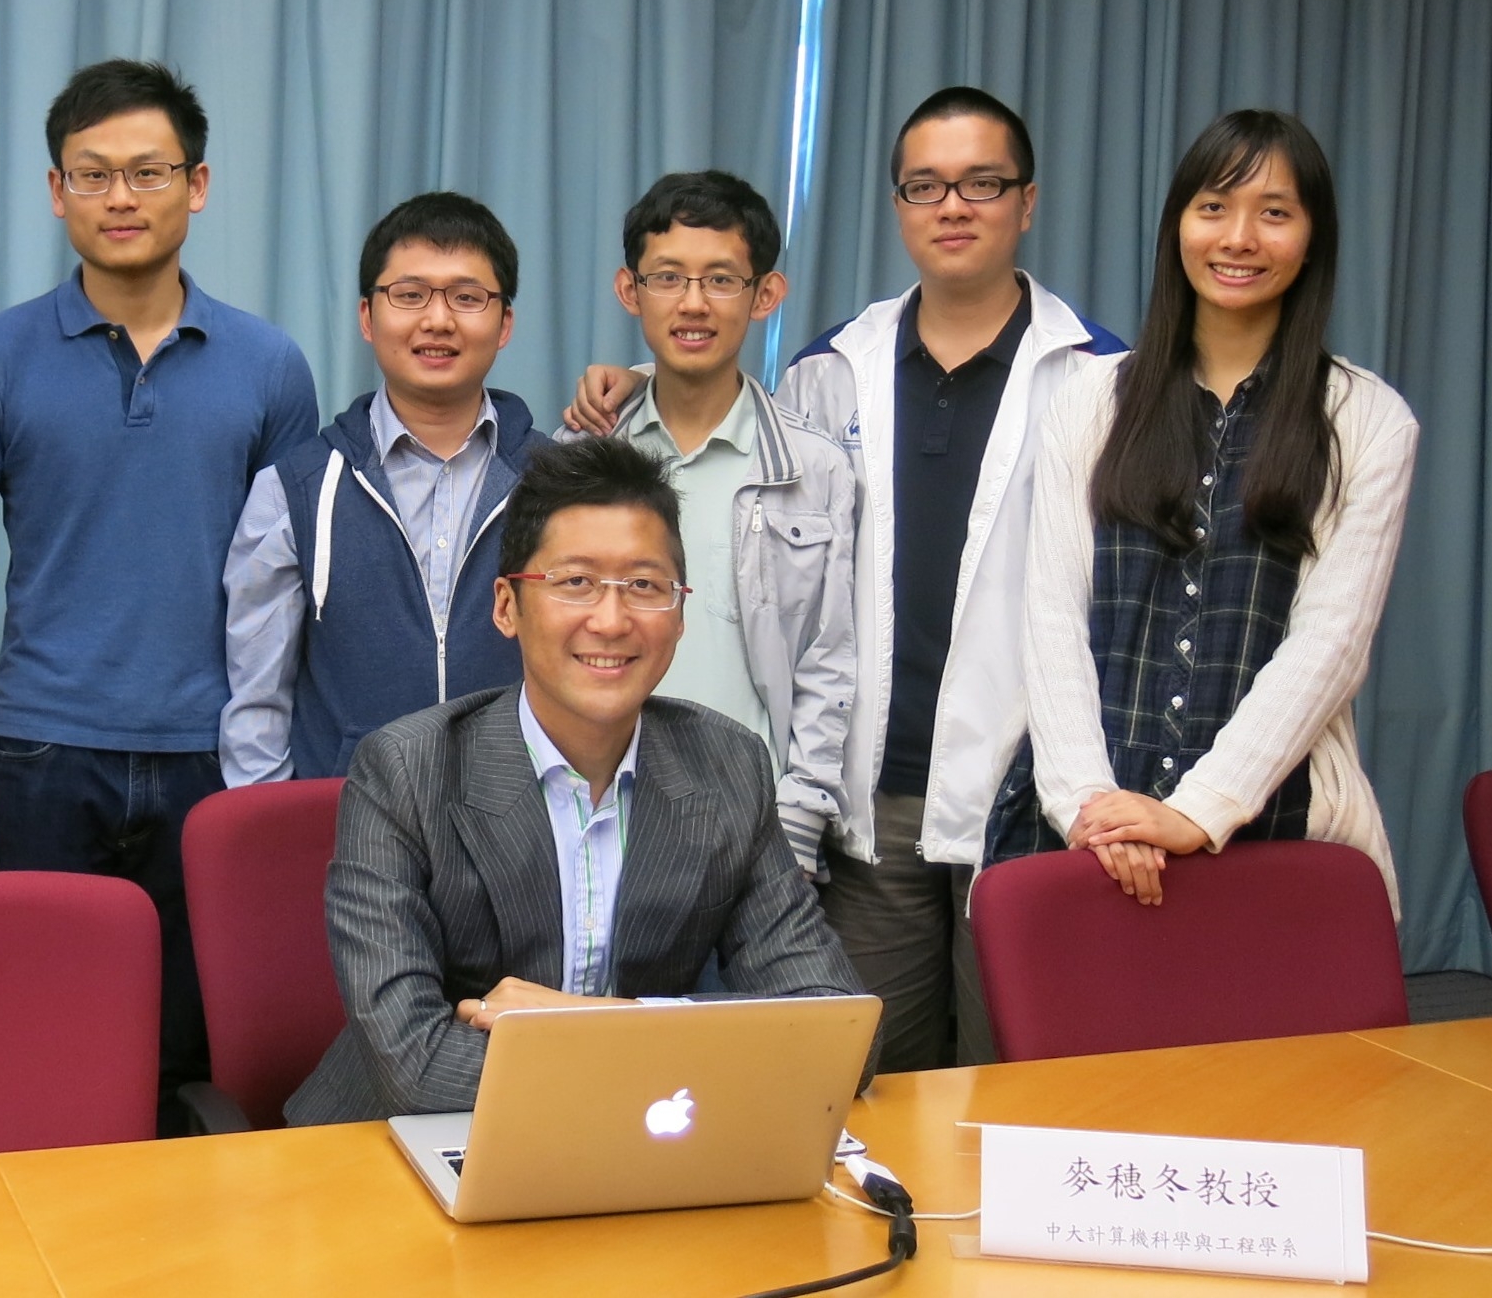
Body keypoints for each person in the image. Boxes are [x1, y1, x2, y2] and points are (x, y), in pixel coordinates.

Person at [568, 90, 1122, 1072]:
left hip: (1025, 785)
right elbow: (753, 535)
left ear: (1026, 202)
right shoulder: (831, 371)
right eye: (925, 185)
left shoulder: (1101, 377)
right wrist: (625, 389)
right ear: (899, 204)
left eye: (981, 183)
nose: (953, 205)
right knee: (865, 1077)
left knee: (1019, 1069)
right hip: (870, 800)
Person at [0, 59, 317, 1127]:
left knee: (192, 1057)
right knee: (31, 1040)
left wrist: (268, 774)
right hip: (39, 750)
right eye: (93, 175)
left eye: (147, 172)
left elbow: (289, 586)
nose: (121, 198)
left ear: (198, 185)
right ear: (56, 192)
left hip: (214, 752)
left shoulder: (271, 365)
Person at [285, 438, 871, 1125]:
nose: (612, 619)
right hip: (400, 1145)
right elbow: (414, 1069)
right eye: (575, 582)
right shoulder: (406, 771)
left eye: (643, 586)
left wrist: (590, 1021)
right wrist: (673, 1056)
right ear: (506, 606)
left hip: (624, 1145)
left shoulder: (726, 766)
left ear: (678, 613)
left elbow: (837, 1036)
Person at [985, 110, 1413, 913]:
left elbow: (1329, 647)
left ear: (1313, 237)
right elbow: (1050, 618)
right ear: (1177, 222)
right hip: (1085, 831)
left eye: (1274, 212)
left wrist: (1194, 810)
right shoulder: (1090, 402)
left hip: (1275, 832)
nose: (1238, 237)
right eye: (1212, 206)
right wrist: (1097, 811)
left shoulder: (1367, 420)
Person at [221, 192, 548, 785]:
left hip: (518, 826)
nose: (438, 320)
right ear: (368, 317)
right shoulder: (295, 489)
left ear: (504, 324)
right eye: (410, 294)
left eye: (468, 297)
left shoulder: (558, 482)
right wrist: (273, 835)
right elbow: (257, 705)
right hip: (347, 831)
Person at [586, 171, 856, 873]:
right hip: (600, 819)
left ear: (765, 294)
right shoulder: (584, 458)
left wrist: (797, 820)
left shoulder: (814, 468)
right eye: (667, 277)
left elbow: (832, 661)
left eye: (721, 280)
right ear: (628, 290)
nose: (693, 303)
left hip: (754, 827)